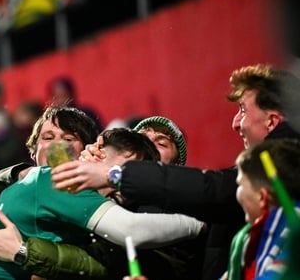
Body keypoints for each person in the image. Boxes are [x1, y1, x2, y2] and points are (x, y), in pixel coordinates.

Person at [50, 63, 300, 280]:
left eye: (243, 110)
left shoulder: (199, 205)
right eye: (139, 140)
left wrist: (113, 176)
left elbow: (212, 190)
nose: (235, 122)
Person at [0, 108, 206, 279]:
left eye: (67, 139)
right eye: (48, 137)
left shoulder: (57, 184)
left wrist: (24, 251)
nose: (56, 147)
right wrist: (202, 223)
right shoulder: (64, 184)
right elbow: (132, 230)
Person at [221, 138, 300, 279]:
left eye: (240, 185)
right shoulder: (247, 238)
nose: (237, 192)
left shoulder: (293, 236)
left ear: (262, 197)